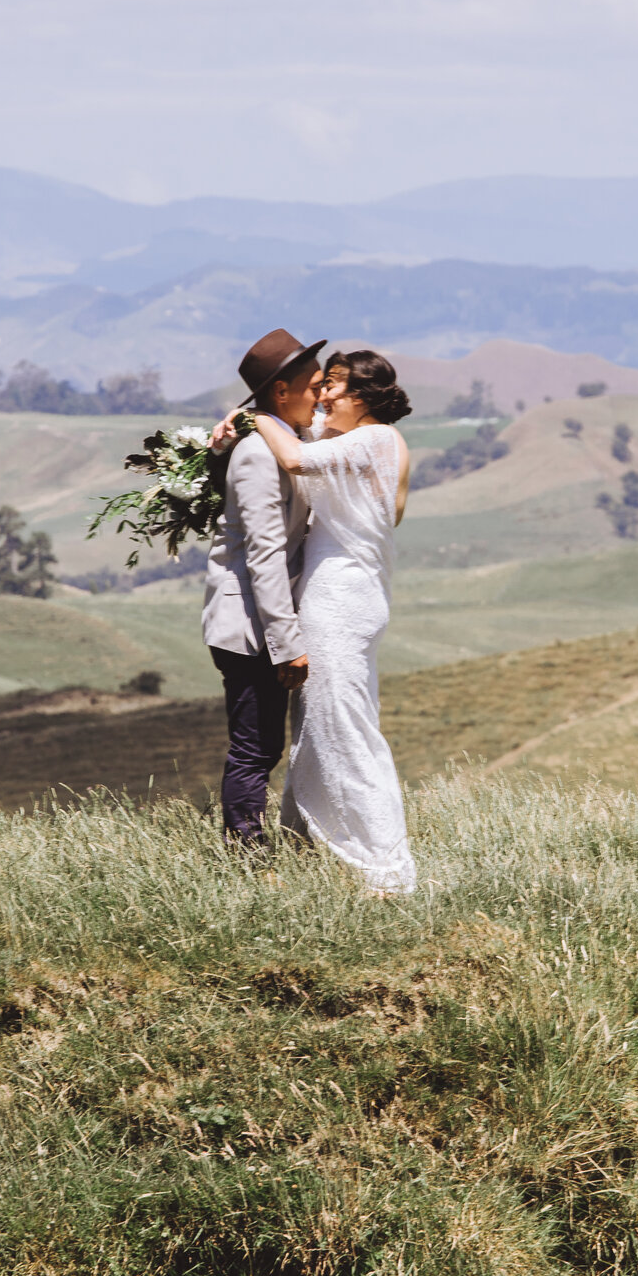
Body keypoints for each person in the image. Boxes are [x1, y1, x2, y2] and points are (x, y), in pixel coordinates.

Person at [238, 349, 416, 894]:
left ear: (362, 396)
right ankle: (305, 848)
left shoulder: (375, 439)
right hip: (349, 594)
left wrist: (253, 416)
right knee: (319, 722)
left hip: (339, 598)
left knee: (342, 727)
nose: (322, 396)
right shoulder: (350, 439)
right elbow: (300, 431)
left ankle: (383, 867)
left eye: (334, 385)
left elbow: (293, 457)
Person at [201, 328, 323, 853]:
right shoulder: (255, 455)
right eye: (314, 387)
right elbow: (264, 555)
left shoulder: (289, 440)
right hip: (247, 624)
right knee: (255, 748)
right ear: (281, 391)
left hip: (258, 620)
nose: (321, 397)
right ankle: (245, 853)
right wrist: (286, 643)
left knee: (263, 744)